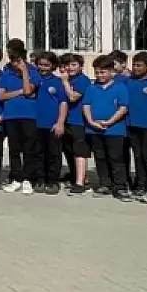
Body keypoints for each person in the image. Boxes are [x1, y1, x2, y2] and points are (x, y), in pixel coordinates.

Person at [83, 55, 131, 200]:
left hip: (114, 129)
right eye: (97, 72)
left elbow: (123, 107)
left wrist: (110, 122)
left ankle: (120, 186)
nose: (99, 75)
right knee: (100, 157)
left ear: (112, 71)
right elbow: (86, 105)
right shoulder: (92, 88)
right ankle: (105, 183)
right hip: (94, 129)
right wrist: (91, 121)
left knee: (116, 157)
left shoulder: (120, 87)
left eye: (103, 72)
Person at [0, 39, 42, 194]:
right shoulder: (6, 72)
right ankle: (16, 178)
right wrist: (19, 93)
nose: (14, 62)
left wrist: (24, 71)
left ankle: (28, 179)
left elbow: (29, 90)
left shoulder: (33, 71)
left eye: (17, 59)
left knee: (29, 148)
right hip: (11, 115)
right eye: (12, 59)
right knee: (14, 148)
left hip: (29, 115)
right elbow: (2, 95)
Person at [34, 52, 67, 195]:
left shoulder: (57, 82)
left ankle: (52, 181)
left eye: (46, 65)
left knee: (53, 154)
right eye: (40, 64)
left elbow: (63, 103)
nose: (43, 67)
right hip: (35, 124)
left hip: (52, 124)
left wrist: (60, 122)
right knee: (37, 153)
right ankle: (40, 179)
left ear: (53, 66)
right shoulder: (33, 80)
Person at [59, 53, 91, 193]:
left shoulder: (82, 80)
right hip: (66, 120)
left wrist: (65, 82)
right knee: (68, 150)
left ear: (80, 66)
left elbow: (73, 97)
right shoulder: (66, 79)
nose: (70, 67)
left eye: (73, 65)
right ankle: (74, 175)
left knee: (80, 151)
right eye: (67, 65)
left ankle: (81, 182)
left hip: (78, 120)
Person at [126, 52, 147, 204]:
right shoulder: (129, 81)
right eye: (134, 64)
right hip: (133, 125)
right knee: (138, 156)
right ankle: (140, 185)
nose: (135, 68)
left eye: (139, 65)